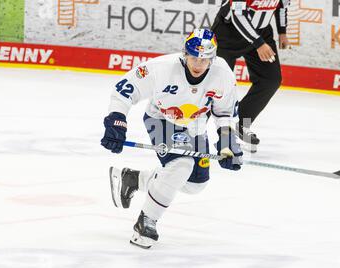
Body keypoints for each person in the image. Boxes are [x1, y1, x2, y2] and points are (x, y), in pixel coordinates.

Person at [100, 29, 243, 249]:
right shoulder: (161, 68)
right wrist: (117, 119)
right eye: (194, 57)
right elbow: (124, 90)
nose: (198, 64)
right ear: (184, 54)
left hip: (196, 126)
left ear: (212, 59)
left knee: (195, 184)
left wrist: (228, 142)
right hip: (160, 118)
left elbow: (225, 113)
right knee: (181, 165)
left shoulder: (223, 74)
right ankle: (146, 221)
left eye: (205, 59)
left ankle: (133, 179)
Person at [211, 0, 291, 152]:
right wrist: (258, 43)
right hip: (228, 32)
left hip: (260, 32)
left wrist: (282, 32)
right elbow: (238, 13)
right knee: (215, 85)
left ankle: (241, 123)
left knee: (270, 80)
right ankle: (190, 132)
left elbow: (282, 6)